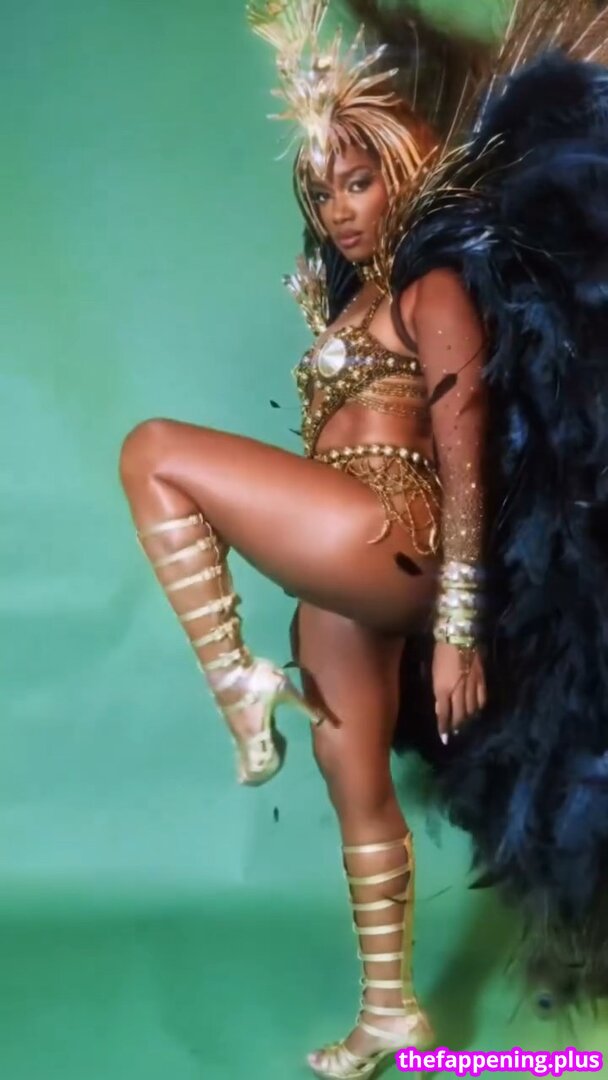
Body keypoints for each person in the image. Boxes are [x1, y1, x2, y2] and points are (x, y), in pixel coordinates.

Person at [119, 0, 608, 1075]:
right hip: (341, 562)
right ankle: (391, 1013)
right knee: (354, 781)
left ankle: (238, 683)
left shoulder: (434, 288)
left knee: (154, 451)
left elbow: (465, 442)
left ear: (401, 170)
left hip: (392, 533)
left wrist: (458, 626)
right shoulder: (354, 303)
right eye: (321, 191)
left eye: (356, 180)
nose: (339, 210)